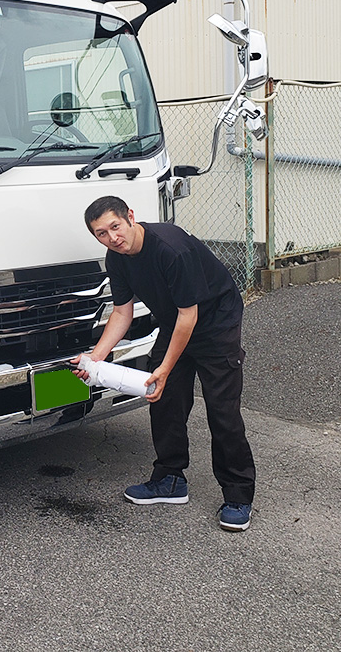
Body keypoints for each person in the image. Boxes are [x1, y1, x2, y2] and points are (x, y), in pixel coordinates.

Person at [72, 195, 256, 532]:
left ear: (130, 216)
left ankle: (238, 495)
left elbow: (191, 316)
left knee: (222, 410)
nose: (112, 237)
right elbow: (122, 312)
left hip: (216, 322)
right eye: (101, 233)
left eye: (115, 226)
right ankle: (170, 480)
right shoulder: (117, 258)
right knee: (163, 398)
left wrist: (165, 367)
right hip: (177, 321)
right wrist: (95, 357)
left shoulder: (171, 248)